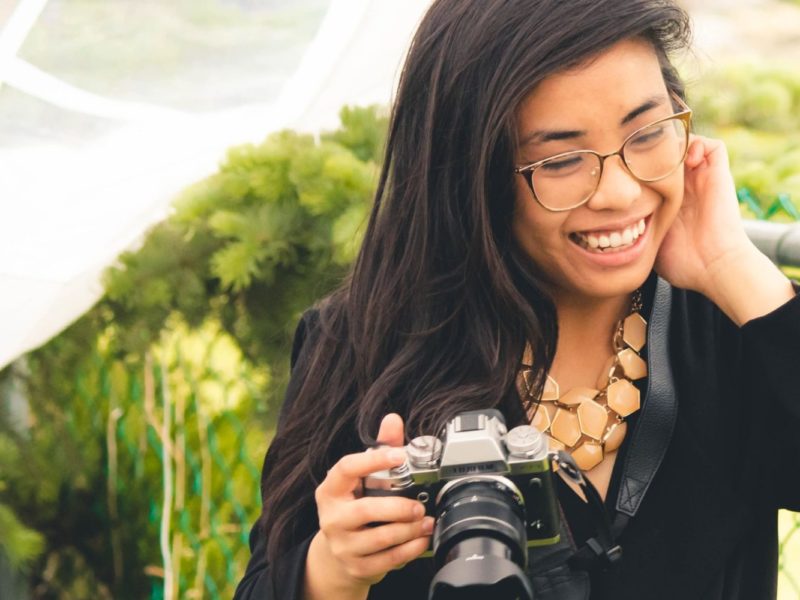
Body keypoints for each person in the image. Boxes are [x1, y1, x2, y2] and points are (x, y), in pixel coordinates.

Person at [234, 1, 800, 598]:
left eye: (648, 132)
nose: (619, 190)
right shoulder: (365, 343)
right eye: (560, 160)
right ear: (472, 173)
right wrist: (333, 569)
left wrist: (733, 267)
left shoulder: (730, 321)